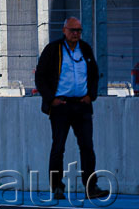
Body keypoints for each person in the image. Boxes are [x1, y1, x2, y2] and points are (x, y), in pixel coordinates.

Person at [34, 17, 104, 199]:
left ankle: (91, 187)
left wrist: (90, 96)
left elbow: (94, 74)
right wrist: (51, 99)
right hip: (61, 106)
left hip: (82, 105)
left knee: (87, 146)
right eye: (72, 30)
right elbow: (40, 76)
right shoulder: (53, 49)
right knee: (58, 147)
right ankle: (57, 186)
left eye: (79, 30)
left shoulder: (85, 49)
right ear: (64, 30)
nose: (76, 34)